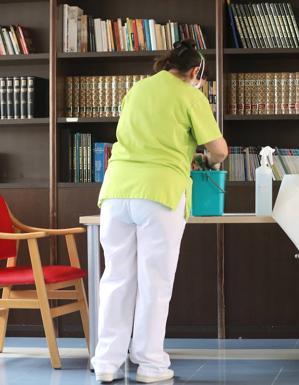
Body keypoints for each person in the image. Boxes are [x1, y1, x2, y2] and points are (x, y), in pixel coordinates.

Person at [91, 39, 228, 383]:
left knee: (117, 278)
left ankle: (106, 362)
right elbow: (219, 150)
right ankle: (151, 365)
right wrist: (206, 158)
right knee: (155, 282)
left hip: (117, 190)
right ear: (196, 70)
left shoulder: (136, 90)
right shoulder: (190, 95)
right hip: (160, 194)